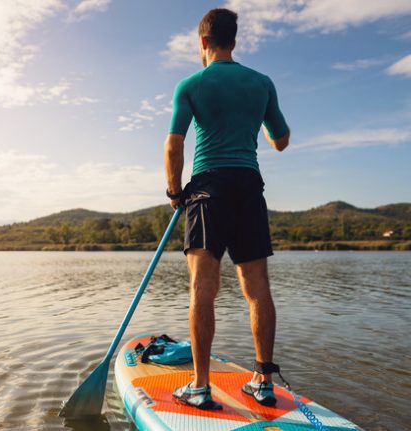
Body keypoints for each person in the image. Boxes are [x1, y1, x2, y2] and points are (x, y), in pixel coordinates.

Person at [164, 8, 290, 410]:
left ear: (203, 42)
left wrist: (173, 191)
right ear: (234, 42)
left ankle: (200, 387)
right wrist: (260, 125)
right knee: (257, 290)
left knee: (203, 287)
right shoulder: (262, 83)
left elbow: (173, 144)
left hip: (207, 190)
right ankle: (263, 381)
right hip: (249, 188)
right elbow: (281, 140)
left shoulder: (191, 84)